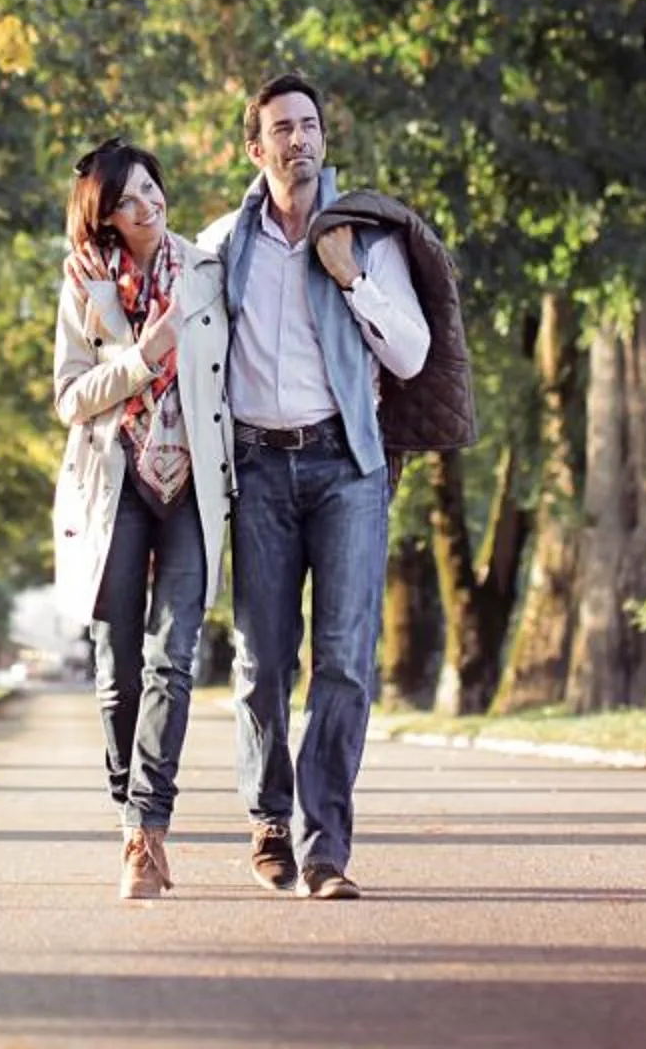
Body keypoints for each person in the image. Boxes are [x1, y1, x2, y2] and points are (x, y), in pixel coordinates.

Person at [194, 72, 428, 901]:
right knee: (262, 660)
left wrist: (350, 276)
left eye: (310, 125)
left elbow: (411, 356)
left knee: (345, 661)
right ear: (255, 148)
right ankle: (268, 820)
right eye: (283, 129)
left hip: (345, 467)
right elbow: (187, 346)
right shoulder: (222, 244)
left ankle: (326, 847)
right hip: (257, 469)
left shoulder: (366, 238)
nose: (300, 139)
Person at [51, 137, 232, 901]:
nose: (147, 205)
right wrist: (139, 357)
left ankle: (145, 829)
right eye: (126, 200)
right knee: (117, 668)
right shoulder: (84, 286)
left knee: (172, 656)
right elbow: (69, 397)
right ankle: (130, 814)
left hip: (193, 481)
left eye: (151, 188)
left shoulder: (208, 272)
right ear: (105, 219)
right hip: (114, 483)